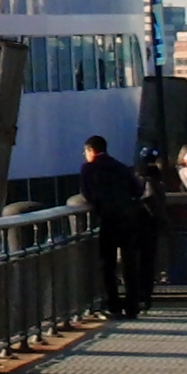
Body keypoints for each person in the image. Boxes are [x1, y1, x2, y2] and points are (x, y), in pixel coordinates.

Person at [80, 135, 153, 320]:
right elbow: (137, 190)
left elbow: (87, 193)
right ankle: (132, 306)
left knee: (107, 264)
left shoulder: (89, 168)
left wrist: (99, 204)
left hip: (107, 219)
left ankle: (113, 305)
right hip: (128, 218)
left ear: (91, 150)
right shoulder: (121, 167)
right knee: (130, 262)